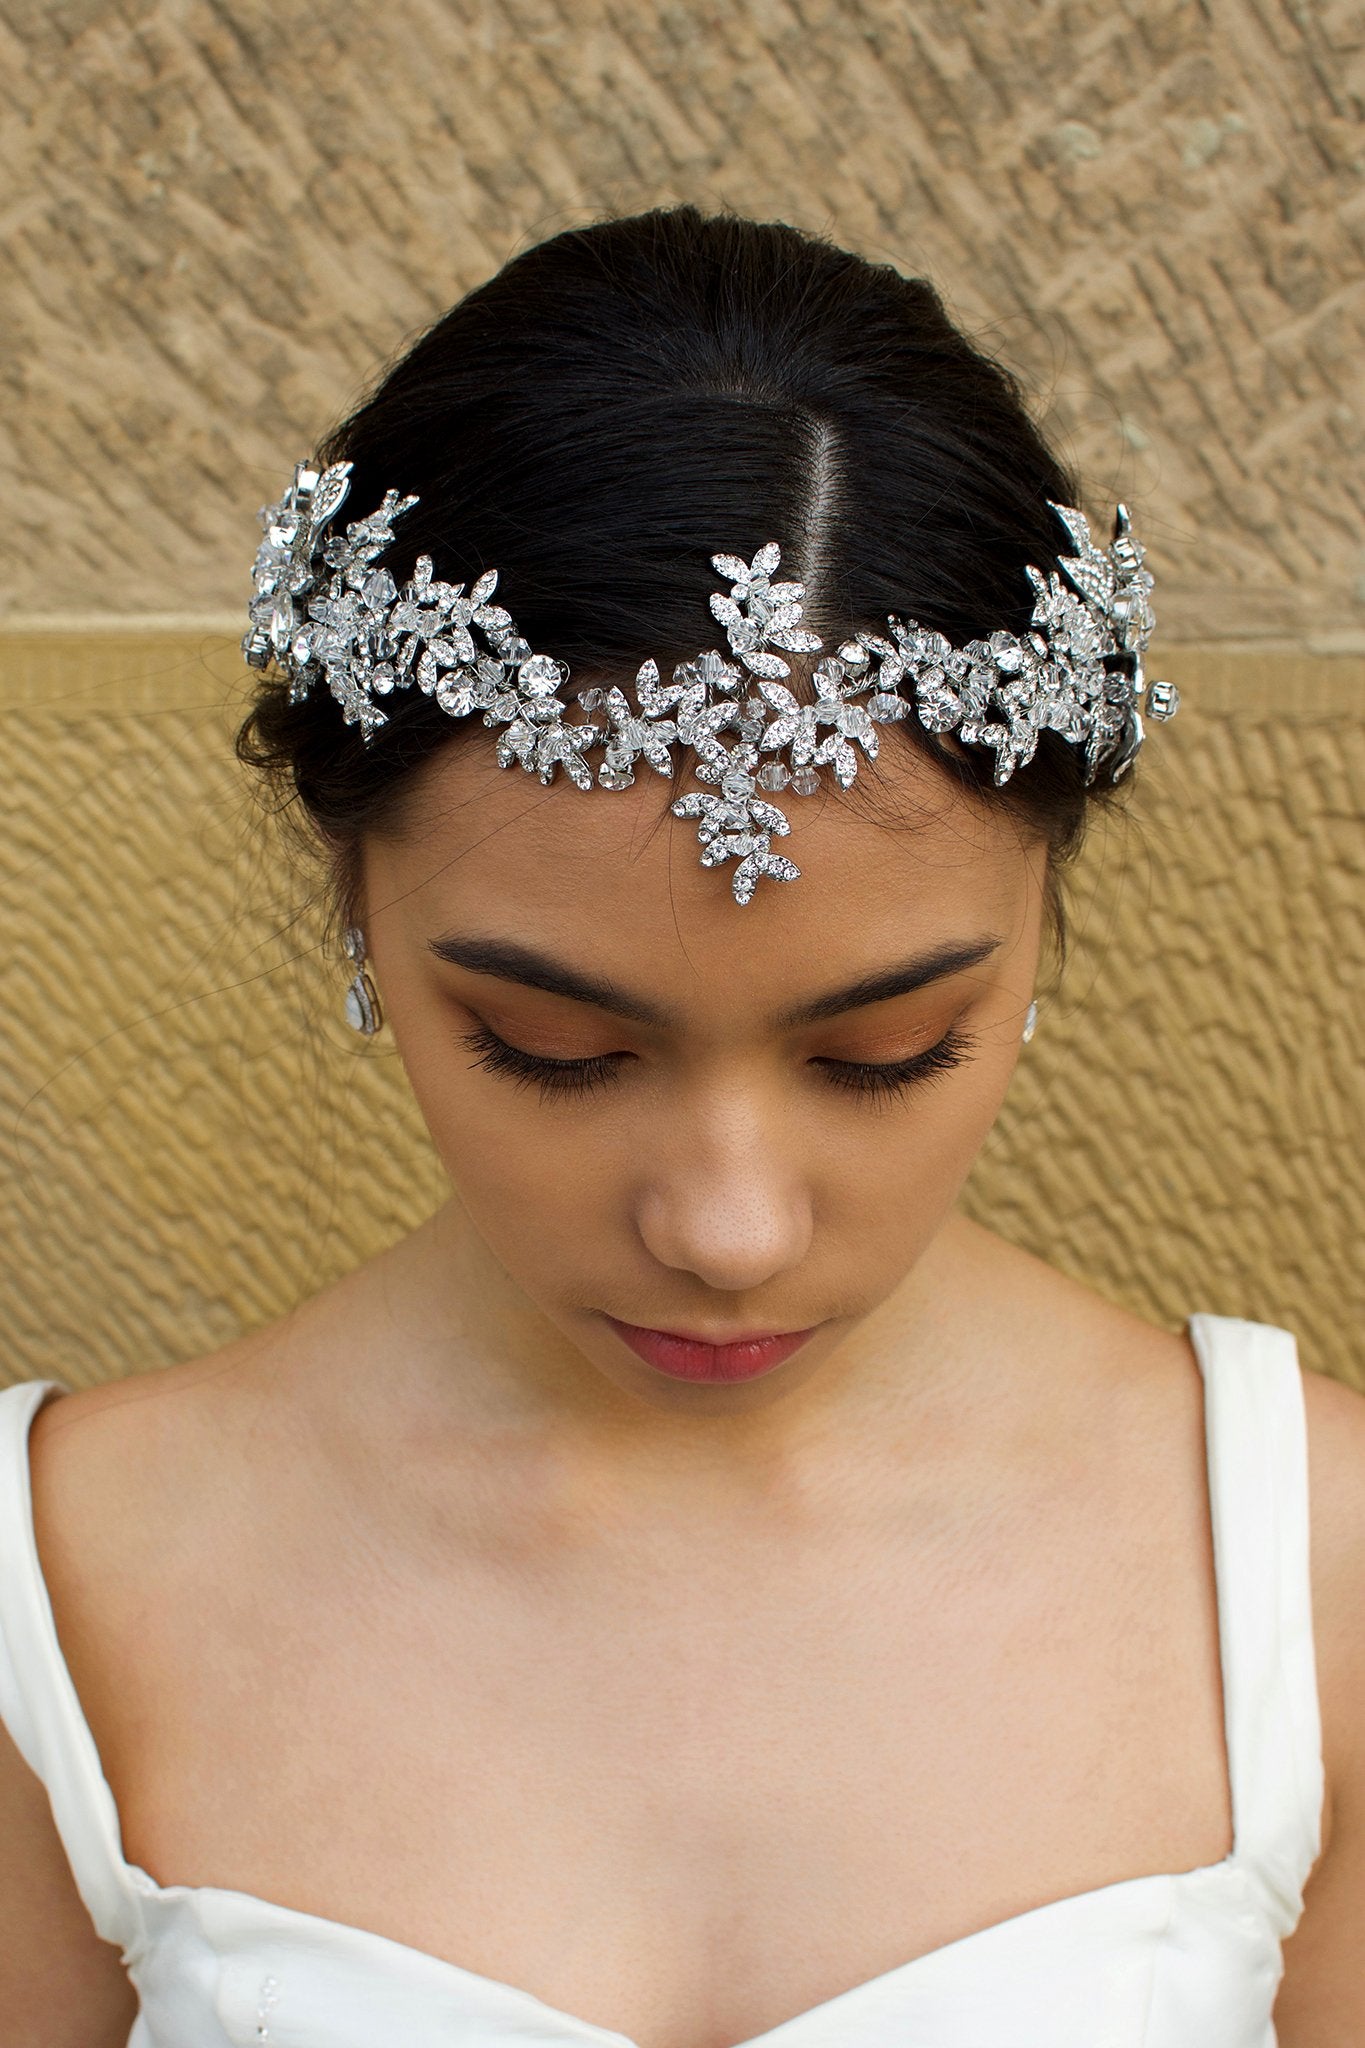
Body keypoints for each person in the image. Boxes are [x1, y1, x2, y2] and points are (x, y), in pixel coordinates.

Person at [1, 205, 1361, 2048]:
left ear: (1039, 920)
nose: (727, 1230)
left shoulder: (1312, 1577)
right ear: (354, 905)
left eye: (885, 1051)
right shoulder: (58, 1592)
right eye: (550, 1046)